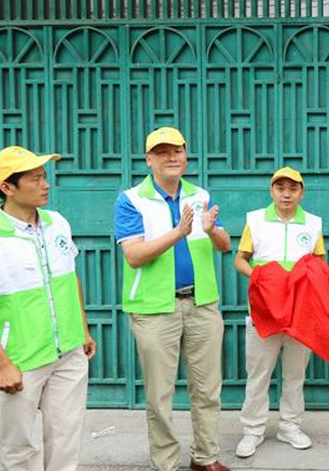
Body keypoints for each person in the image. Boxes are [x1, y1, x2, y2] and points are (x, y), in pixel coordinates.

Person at [114, 127, 232, 471]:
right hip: (154, 310)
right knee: (160, 396)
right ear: (149, 159)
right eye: (162, 152)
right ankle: (166, 464)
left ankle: (205, 457)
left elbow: (224, 246)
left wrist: (212, 230)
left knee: (208, 389)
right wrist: (177, 233)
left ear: (185, 155)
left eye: (177, 150)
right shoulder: (131, 199)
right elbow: (134, 256)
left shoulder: (200, 195)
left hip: (202, 304)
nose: (172, 157)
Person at [0, 146, 97, 470]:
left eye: (44, 176)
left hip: (69, 353)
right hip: (20, 359)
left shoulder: (57, 222)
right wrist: (1, 364)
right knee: (19, 449)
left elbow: (69, 278)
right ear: (7, 187)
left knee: (66, 441)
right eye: (35, 178)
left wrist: (83, 330)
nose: (45, 184)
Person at [234, 167, 326, 458]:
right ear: (271, 191)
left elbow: (320, 264)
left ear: (302, 192)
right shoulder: (256, 220)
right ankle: (252, 431)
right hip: (264, 312)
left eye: (293, 188)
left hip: (301, 314)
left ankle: (289, 427)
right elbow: (240, 259)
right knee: (258, 374)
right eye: (280, 188)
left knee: (295, 374)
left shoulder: (312, 224)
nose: (286, 194)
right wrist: (258, 279)